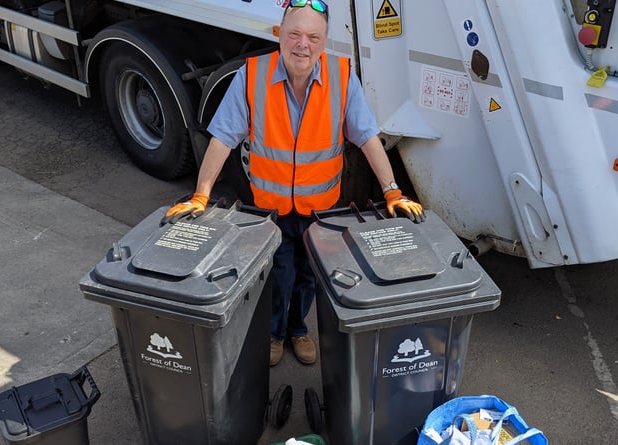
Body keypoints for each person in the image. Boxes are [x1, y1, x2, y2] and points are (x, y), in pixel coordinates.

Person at [160, 0, 425, 367]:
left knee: (310, 275)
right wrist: (202, 194)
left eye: (313, 37)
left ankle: (298, 330)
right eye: (294, 34)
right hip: (272, 209)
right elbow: (222, 138)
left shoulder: (342, 77)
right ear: (278, 35)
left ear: (324, 41)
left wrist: (392, 190)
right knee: (277, 273)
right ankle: (273, 334)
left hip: (320, 209)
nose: (303, 44)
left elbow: (367, 137)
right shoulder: (252, 77)